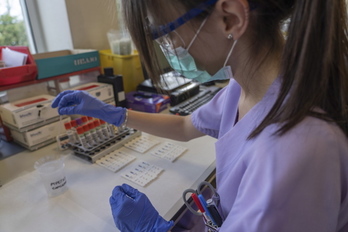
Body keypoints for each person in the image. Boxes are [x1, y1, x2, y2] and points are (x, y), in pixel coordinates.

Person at [51, 0, 348, 231]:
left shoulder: (296, 149)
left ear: (229, 18)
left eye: (167, 33)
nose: (171, 47)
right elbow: (184, 125)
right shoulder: (243, 87)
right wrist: (115, 114)